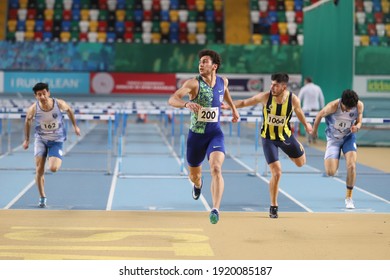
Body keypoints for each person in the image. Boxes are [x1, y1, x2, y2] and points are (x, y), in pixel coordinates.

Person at [223, 73, 312, 219]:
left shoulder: (293, 99)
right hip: (268, 139)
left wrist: (306, 124)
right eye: (271, 84)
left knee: (301, 163)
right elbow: (246, 102)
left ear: (284, 87)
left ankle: (297, 148)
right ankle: (273, 206)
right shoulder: (266, 97)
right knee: (277, 173)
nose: (272, 87)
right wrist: (229, 106)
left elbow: (299, 112)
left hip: (285, 137)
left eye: (275, 85)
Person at [168, 49, 239, 224]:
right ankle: (198, 184)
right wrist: (186, 103)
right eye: (200, 61)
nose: (201, 64)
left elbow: (226, 93)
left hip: (215, 134)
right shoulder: (193, 83)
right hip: (196, 137)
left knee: (216, 168)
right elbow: (172, 99)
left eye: (205, 61)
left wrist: (234, 109)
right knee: (195, 175)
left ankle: (215, 209)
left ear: (214, 66)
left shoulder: (223, 81)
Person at [23, 82, 81, 208]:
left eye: (44, 93)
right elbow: (27, 121)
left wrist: (75, 126)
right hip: (41, 140)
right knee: (39, 170)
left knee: (53, 168)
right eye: (39, 95)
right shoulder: (33, 108)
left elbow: (70, 110)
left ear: (48, 93)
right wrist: (27, 139)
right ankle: (42, 197)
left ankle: (53, 155)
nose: (42, 97)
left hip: (56, 140)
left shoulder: (58, 103)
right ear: (35, 96)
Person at [311, 89, 364, 209]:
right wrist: (314, 131)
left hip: (348, 138)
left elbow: (359, 120)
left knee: (352, 166)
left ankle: (349, 198)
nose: (348, 111)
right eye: (346, 108)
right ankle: (336, 157)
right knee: (330, 172)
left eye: (351, 109)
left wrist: (357, 126)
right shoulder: (333, 106)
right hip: (333, 140)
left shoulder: (359, 105)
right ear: (341, 103)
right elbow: (319, 115)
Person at [298, 77, 325, 144]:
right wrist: (323, 108)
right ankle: (314, 138)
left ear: (306, 81)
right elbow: (321, 98)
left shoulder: (304, 88)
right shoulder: (317, 88)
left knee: (307, 124)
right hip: (315, 109)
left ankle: (308, 139)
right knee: (315, 123)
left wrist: (298, 108)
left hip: (306, 110)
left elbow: (299, 99)